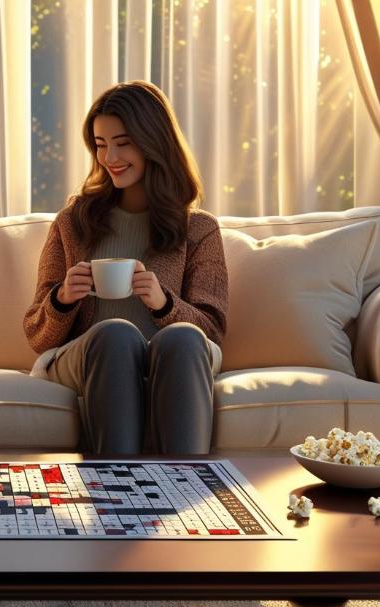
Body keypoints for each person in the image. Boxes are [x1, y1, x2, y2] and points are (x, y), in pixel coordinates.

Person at [23, 80, 228, 455]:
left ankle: (187, 488)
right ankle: (114, 492)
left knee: (181, 337)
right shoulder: (73, 221)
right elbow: (38, 336)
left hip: (174, 352)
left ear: (154, 141)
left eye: (123, 142)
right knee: (116, 334)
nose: (110, 157)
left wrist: (165, 305)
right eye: (101, 145)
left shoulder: (198, 229)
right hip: (92, 353)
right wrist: (63, 298)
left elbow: (212, 331)